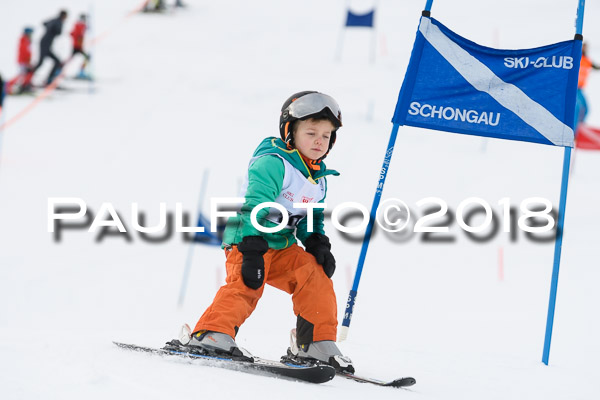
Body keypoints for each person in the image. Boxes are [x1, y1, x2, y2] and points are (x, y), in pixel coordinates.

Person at [173, 91, 354, 373]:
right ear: (290, 133)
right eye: (311, 133)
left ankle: (315, 343)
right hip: (248, 239)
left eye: (327, 136)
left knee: (314, 275)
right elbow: (255, 203)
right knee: (247, 285)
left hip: (281, 245)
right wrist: (253, 244)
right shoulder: (274, 162)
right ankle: (211, 334)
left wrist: (317, 242)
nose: (320, 141)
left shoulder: (318, 177)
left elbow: (310, 216)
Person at [32, 10, 68, 86]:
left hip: (45, 43)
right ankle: (27, 80)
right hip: (45, 44)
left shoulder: (54, 19)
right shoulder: (59, 21)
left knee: (56, 61)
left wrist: (49, 28)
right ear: (64, 16)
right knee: (41, 63)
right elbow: (59, 32)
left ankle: (49, 80)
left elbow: (44, 23)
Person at [575, 42, 600, 128]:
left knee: (585, 109)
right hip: (574, 88)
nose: (585, 49)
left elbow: (596, 67)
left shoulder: (587, 60)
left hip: (580, 89)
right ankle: (574, 130)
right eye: (583, 47)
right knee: (576, 109)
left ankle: (580, 127)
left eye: (586, 47)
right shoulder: (576, 57)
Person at [5, 27, 35, 94]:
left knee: (27, 74)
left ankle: (25, 86)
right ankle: (7, 85)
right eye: (30, 33)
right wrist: (27, 61)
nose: (31, 35)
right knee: (21, 75)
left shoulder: (27, 41)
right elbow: (25, 52)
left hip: (25, 61)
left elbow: (29, 52)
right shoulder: (24, 40)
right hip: (23, 61)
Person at [70, 14, 91, 79]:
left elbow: (71, 33)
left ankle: (58, 70)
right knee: (87, 57)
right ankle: (81, 73)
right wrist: (80, 45)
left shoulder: (77, 25)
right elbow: (79, 36)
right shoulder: (81, 26)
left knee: (70, 59)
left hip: (75, 45)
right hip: (78, 46)